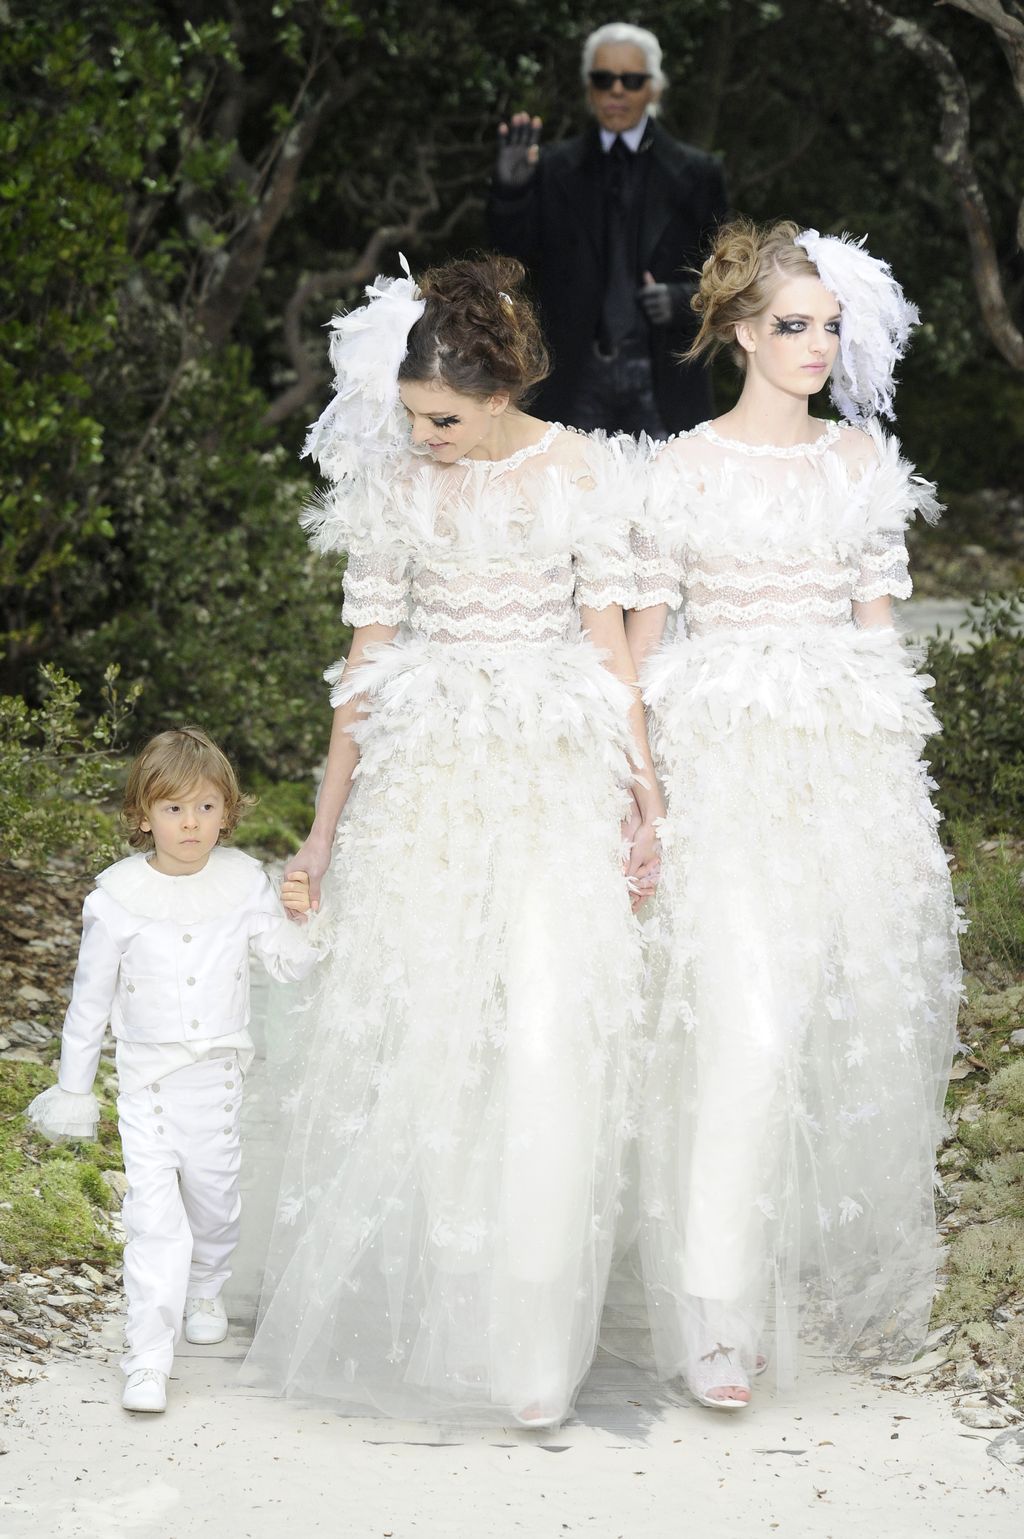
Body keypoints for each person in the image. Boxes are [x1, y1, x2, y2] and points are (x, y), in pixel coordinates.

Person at [241, 254, 663, 1430]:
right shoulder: (395, 490)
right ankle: (453, 1319)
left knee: (541, 1040)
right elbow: (363, 671)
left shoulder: (578, 469)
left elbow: (613, 654)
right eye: (410, 414)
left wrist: (645, 800)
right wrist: (322, 836)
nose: (420, 434)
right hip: (424, 793)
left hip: (546, 783)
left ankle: (535, 1343)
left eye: (440, 417)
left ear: (499, 392)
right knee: (432, 1047)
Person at [625, 220, 962, 1409]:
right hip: (721, 781)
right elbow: (644, 649)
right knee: (745, 1038)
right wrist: (644, 798)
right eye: (790, 325)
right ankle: (717, 1314)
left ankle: (762, 1287)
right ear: (733, 330)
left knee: (813, 1040)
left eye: (828, 326)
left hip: (840, 782)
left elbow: (878, 635)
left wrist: (901, 815)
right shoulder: (676, 471)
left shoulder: (861, 466)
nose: (815, 345)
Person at [25, 728, 325, 1414]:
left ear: (227, 811)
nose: (191, 824)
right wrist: (75, 1086)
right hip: (147, 1085)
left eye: (206, 808)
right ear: (143, 816)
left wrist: (302, 918)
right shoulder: (118, 898)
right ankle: (148, 1355)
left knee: (215, 1201)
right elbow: (89, 999)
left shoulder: (244, 883)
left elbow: (287, 962)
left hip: (216, 1078)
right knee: (155, 1218)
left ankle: (207, 1283)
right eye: (173, 809)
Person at [488, 22, 728, 438]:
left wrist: (679, 298)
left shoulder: (697, 173)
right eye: (603, 80)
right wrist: (511, 189)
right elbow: (511, 261)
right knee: (568, 492)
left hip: (664, 372)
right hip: (572, 373)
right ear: (589, 88)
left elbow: (727, 274)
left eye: (631, 80)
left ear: (654, 88)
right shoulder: (552, 167)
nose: (616, 91)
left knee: (667, 496)